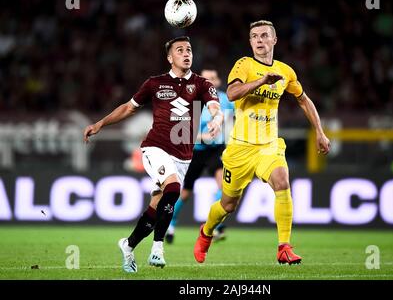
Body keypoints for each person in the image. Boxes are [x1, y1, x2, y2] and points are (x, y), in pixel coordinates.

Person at [193, 20, 331, 265]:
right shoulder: (244, 65)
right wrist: (261, 81)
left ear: (274, 40)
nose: (259, 40)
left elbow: (303, 100)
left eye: (264, 35)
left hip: (269, 145)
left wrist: (319, 131)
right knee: (228, 204)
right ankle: (206, 231)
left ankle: (284, 247)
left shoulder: (285, 71)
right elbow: (233, 94)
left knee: (282, 181)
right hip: (240, 147)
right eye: (254, 36)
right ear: (250, 42)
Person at [83, 36, 223, 272]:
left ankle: (128, 245)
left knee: (158, 206)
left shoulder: (201, 84)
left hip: (184, 155)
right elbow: (129, 108)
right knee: (173, 187)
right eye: (180, 50)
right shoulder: (155, 83)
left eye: (189, 49)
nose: (186, 53)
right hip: (155, 147)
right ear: (170, 58)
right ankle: (158, 247)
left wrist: (217, 119)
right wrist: (100, 124)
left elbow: (214, 107)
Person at [165, 69, 234, 244]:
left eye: (213, 78)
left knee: (224, 187)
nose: (210, 81)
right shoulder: (192, 101)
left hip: (217, 149)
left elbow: (236, 119)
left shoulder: (226, 100)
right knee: (185, 193)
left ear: (218, 81)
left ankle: (213, 226)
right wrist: (201, 137)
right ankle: (171, 224)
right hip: (195, 151)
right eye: (206, 79)